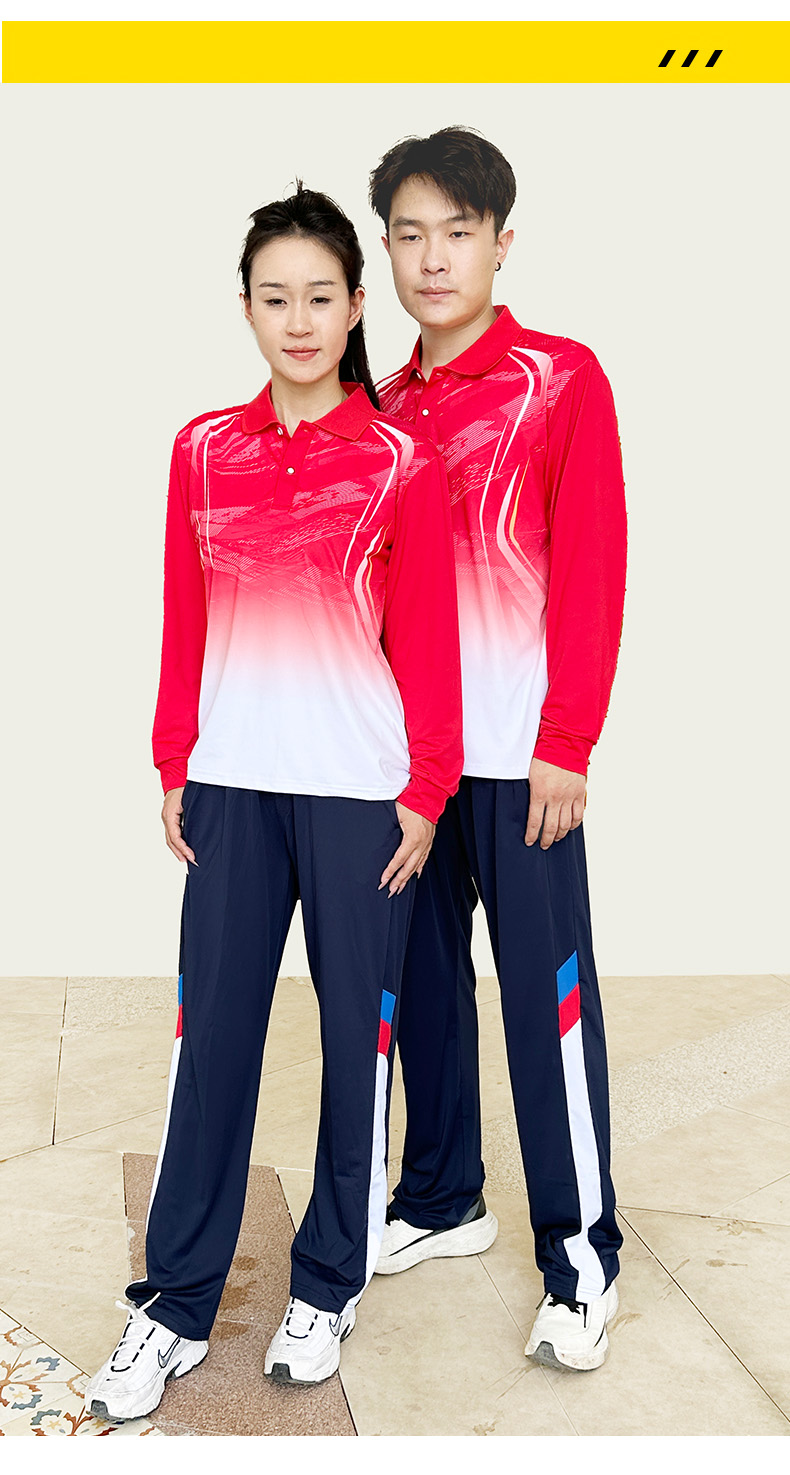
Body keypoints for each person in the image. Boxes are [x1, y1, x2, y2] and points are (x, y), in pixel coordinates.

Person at [84, 183, 462, 1422]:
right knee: (212, 1047)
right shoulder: (204, 449)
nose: (298, 321)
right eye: (274, 298)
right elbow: (181, 614)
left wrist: (426, 789)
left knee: (358, 1042)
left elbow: (430, 640)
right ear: (246, 308)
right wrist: (173, 759)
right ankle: (173, 1301)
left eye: (320, 297)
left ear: (354, 309)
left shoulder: (400, 462)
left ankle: (327, 1281)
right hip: (233, 790)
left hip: (360, 796)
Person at [368, 127, 627, 1372]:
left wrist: (565, 737)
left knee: (547, 1003)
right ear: (385, 249)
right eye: (409, 234)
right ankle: (439, 1195)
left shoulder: (559, 380)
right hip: (405, 771)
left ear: (500, 242)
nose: (433, 258)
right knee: (420, 991)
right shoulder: (375, 408)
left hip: (525, 762)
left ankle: (580, 1258)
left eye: (456, 232)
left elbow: (592, 565)